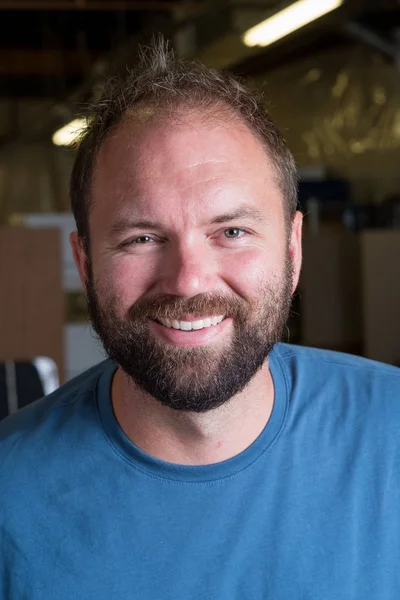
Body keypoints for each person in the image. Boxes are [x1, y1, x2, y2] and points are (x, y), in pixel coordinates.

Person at [1, 38, 399, 600]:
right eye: (142, 238)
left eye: (231, 231)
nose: (189, 280)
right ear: (85, 263)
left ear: (292, 249)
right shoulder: (9, 498)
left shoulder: (391, 438)